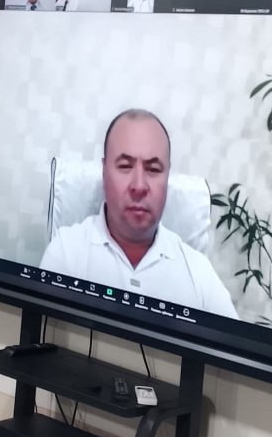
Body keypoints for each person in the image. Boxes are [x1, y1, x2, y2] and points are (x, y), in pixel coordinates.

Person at [40, 109, 238, 318]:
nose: (139, 186)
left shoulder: (199, 273)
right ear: (104, 172)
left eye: (153, 169)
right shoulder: (66, 253)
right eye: (125, 166)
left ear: (167, 177)